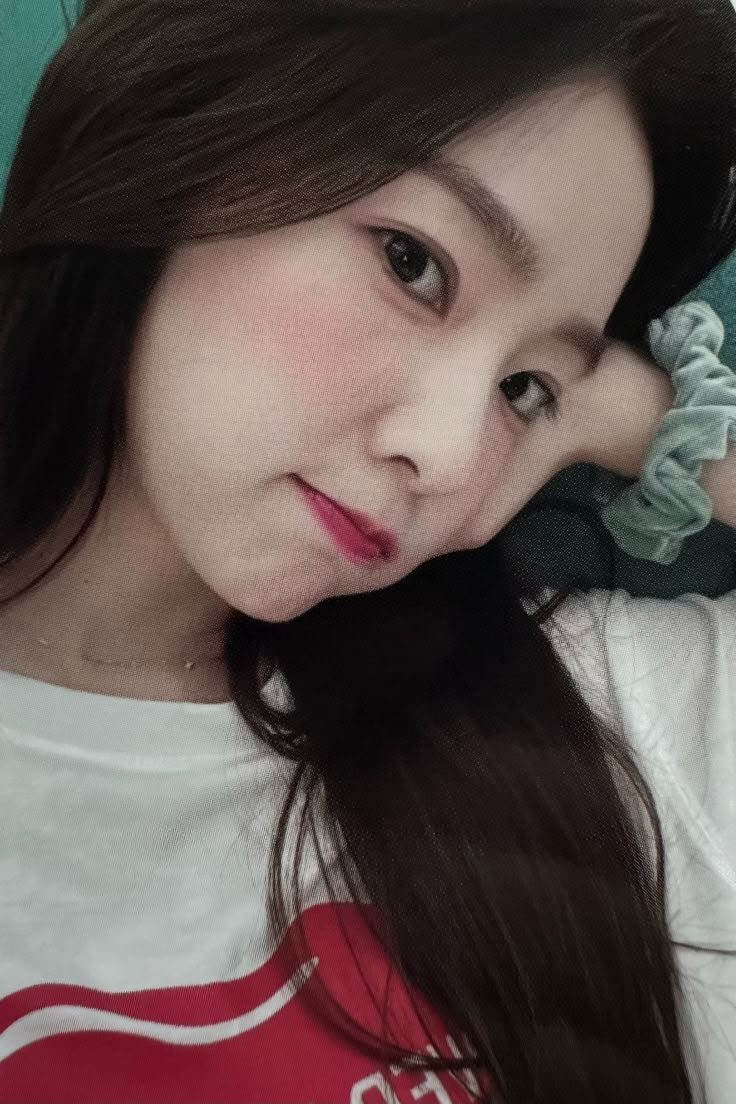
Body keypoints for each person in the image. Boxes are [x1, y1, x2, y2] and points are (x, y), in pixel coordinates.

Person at [0, 1, 734, 1101]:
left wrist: (632, 413)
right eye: (412, 263)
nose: (448, 456)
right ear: (180, 133)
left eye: (519, 390)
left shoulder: (595, 713)